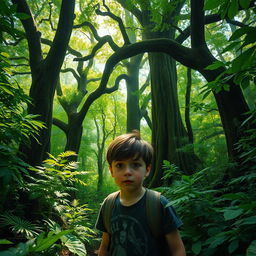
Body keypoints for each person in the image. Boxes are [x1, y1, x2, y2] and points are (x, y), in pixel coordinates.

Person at [95, 131, 186, 256]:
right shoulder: (108, 204)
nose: (127, 172)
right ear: (111, 170)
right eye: (120, 165)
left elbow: (177, 249)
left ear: (147, 170)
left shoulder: (159, 204)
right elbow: (105, 246)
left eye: (136, 165)